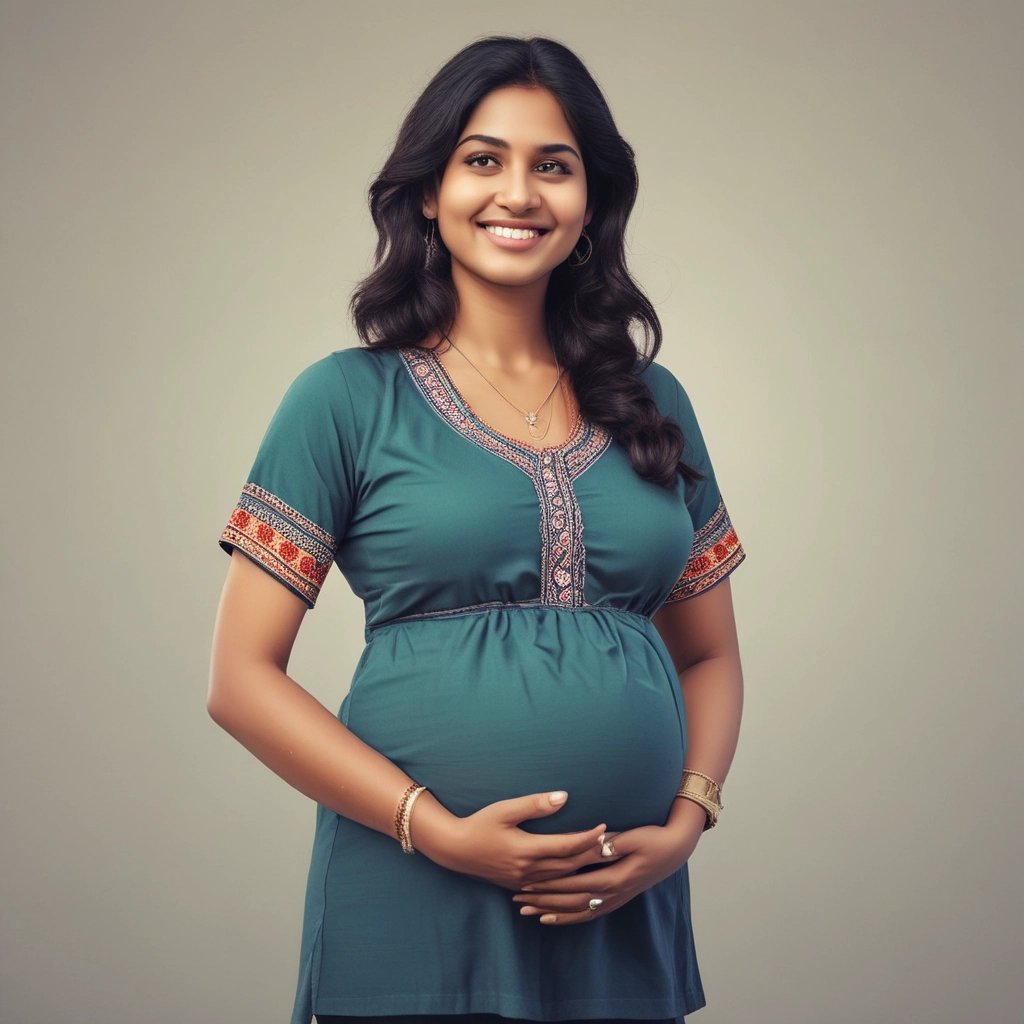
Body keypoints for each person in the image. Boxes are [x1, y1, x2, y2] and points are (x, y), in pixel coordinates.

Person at [208, 34, 746, 1024]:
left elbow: (708, 657)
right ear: (427, 190)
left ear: (591, 202)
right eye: (482, 159)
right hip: (416, 889)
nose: (519, 193)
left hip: (617, 898)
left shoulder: (652, 403)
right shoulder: (344, 399)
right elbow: (239, 680)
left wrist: (683, 823)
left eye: (554, 165)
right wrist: (439, 832)